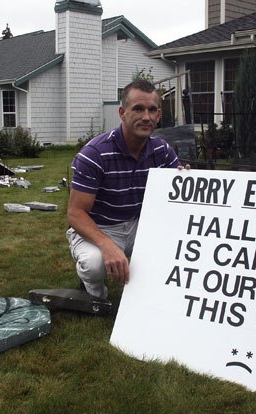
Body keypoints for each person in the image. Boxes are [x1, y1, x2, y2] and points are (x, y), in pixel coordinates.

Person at [66, 79, 182, 300]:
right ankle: (94, 292)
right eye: (138, 109)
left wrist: (185, 179)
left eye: (152, 110)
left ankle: (155, 294)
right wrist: (106, 244)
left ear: (159, 115)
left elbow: (176, 199)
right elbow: (75, 213)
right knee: (93, 264)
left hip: (139, 224)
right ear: (122, 112)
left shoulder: (163, 151)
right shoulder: (95, 154)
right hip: (100, 226)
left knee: (178, 247)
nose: (146, 117)